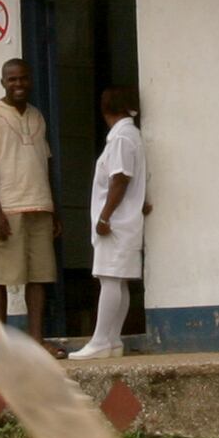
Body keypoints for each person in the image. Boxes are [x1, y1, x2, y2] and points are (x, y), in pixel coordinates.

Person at [0, 57, 57, 340]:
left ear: (30, 80)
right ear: (3, 82)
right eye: (12, 79)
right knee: (1, 277)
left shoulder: (37, 116)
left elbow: (45, 162)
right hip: (8, 209)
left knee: (39, 277)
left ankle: (36, 341)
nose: (18, 84)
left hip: (40, 206)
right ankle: (2, 345)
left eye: (23, 78)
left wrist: (54, 209)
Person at [72, 87, 148, 359]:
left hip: (115, 222)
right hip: (127, 220)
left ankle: (100, 340)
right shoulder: (132, 135)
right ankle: (113, 340)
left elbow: (120, 179)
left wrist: (104, 216)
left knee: (109, 280)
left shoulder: (120, 139)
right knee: (119, 280)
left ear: (106, 110)